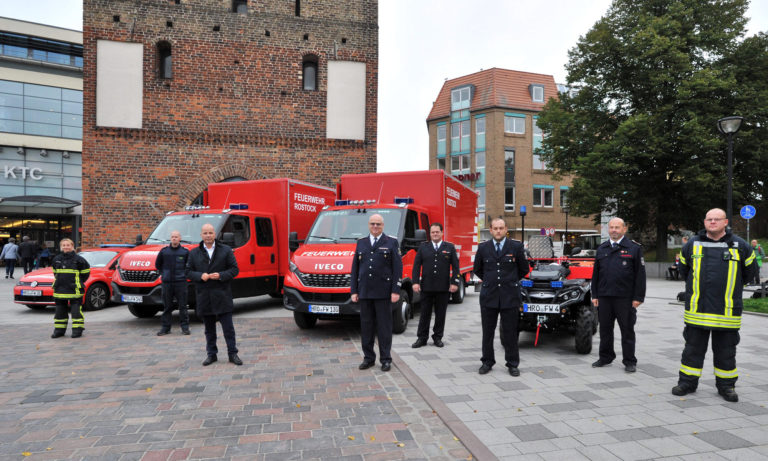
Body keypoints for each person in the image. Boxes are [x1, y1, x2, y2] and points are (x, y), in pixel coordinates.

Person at [672, 208, 757, 402]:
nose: (712, 222)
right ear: (704, 222)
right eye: (709, 219)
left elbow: (750, 273)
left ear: (725, 222)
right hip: (697, 311)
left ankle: (726, 386)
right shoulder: (692, 244)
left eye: (716, 219)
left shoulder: (740, 246)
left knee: (726, 352)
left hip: (727, 312)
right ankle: (687, 383)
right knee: (692, 350)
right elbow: (684, 271)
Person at [472, 218, 528, 376]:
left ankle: (512, 363)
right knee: (487, 332)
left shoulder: (516, 247)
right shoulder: (483, 248)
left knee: (510, 332)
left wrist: (509, 281)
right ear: (490, 230)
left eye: (501, 228)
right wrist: (490, 281)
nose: (498, 231)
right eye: (495, 228)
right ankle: (487, 362)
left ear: (506, 229)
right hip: (489, 296)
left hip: (509, 296)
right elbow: (477, 269)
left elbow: (523, 269)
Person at [591, 218, 646, 373]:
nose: (614, 230)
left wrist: (638, 298)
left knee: (627, 330)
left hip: (625, 298)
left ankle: (629, 361)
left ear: (624, 229)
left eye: (617, 227)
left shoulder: (633, 248)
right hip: (604, 297)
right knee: (605, 329)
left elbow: (640, 276)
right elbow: (596, 274)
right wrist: (595, 294)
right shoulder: (602, 248)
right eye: (612, 227)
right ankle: (605, 357)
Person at [350, 213, 403, 372]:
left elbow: (397, 269)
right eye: (372, 224)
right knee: (366, 327)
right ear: (368, 225)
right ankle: (368, 358)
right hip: (365, 292)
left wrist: (395, 290)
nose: (375, 227)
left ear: (383, 226)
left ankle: (386, 359)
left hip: (383, 293)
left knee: (384, 328)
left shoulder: (391, 242)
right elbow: (355, 269)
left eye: (378, 224)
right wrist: (354, 290)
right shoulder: (361, 243)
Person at [186, 223, 241, 366]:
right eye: (205, 233)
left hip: (222, 295)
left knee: (228, 329)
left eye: (210, 233)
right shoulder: (194, 253)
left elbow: (234, 270)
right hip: (204, 296)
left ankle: (232, 354)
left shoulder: (226, 250)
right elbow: (187, 272)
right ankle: (211, 354)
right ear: (201, 235)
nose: (208, 236)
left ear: (215, 234)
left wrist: (221, 275)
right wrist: (199, 276)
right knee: (209, 330)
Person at [411, 223, 460, 348]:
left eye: (437, 232)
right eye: (433, 232)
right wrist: (415, 282)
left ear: (442, 232)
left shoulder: (449, 247)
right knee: (424, 314)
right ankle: (422, 338)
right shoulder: (423, 247)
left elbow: (455, 267)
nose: (435, 234)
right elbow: (416, 266)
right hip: (426, 287)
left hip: (443, 288)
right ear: (430, 234)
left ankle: (437, 337)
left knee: (440, 314)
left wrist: (454, 282)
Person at [51, 238, 90, 338]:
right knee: (60, 312)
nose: (66, 247)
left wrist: (77, 282)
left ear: (72, 246)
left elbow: (85, 274)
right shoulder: (56, 259)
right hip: (60, 290)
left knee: (76, 312)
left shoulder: (79, 260)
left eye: (68, 245)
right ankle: (59, 331)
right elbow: (55, 272)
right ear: (61, 247)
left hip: (75, 290)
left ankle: (77, 330)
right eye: (63, 245)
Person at [156, 230, 191, 336]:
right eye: (172, 237)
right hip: (167, 283)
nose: (174, 238)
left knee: (183, 306)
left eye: (176, 237)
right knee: (167, 306)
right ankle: (165, 328)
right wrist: (164, 274)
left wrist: (184, 275)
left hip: (181, 283)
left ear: (180, 238)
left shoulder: (185, 252)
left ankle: (185, 327)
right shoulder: (164, 252)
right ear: (170, 238)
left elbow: (188, 266)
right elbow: (158, 265)